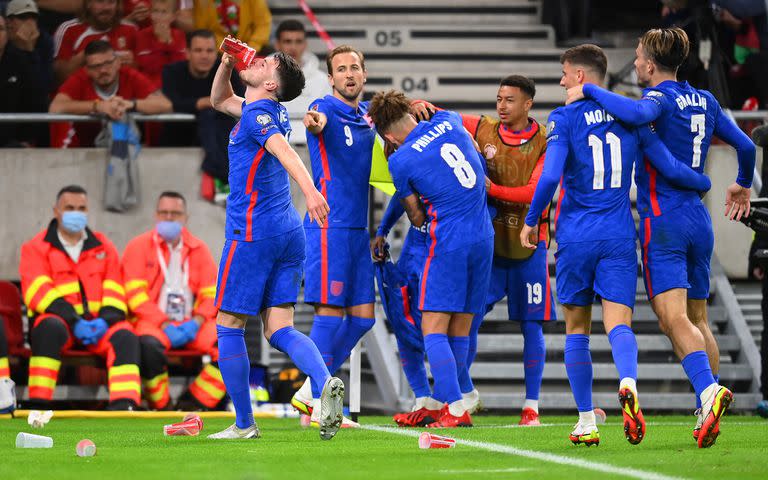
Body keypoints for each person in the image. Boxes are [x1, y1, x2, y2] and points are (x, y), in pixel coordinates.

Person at [565, 27, 756, 447]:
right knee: (699, 319)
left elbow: (634, 117)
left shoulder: (656, 100)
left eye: (637, 57)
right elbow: (745, 145)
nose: (634, 63)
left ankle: (708, 393)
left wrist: (591, 91)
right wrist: (740, 183)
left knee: (674, 319)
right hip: (698, 220)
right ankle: (708, 403)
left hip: (663, 219)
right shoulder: (705, 99)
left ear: (651, 65)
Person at [521, 44, 713, 447]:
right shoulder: (632, 117)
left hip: (576, 235)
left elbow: (551, 175)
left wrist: (531, 219)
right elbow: (670, 166)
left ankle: (587, 420)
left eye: (564, 73)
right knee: (619, 324)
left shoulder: (564, 118)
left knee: (576, 329)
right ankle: (629, 382)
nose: (560, 81)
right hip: (619, 234)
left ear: (580, 78)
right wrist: (703, 183)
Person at [206, 46, 343, 440]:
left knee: (228, 325)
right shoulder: (267, 110)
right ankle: (323, 384)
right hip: (288, 233)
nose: (257, 60)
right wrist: (226, 64)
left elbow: (284, 150)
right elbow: (219, 100)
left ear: (270, 83)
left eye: (265, 63)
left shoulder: (258, 115)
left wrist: (312, 190)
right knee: (279, 327)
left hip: (252, 234)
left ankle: (245, 424)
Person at [368, 89, 495, 428]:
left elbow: (418, 218)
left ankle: (453, 408)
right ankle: (457, 399)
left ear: (389, 137)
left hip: (449, 241)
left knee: (433, 329)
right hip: (484, 237)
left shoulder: (400, 159)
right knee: (461, 328)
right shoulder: (449, 120)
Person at [288, 45, 374, 429]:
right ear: (332, 78)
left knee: (364, 319)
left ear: (364, 74)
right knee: (329, 311)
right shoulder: (325, 107)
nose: (349, 74)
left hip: (358, 229)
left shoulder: (369, 115)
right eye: (341, 69)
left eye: (355, 67)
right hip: (329, 225)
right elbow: (314, 119)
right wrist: (312, 122)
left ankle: (308, 392)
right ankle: (321, 394)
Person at [19, 185, 141, 410]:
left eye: (82, 208)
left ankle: (124, 407)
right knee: (48, 328)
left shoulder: (104, 246)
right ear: (56, 211)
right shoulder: (35, 248)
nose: (76, 212)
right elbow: (38, 293)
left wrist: (105, 321)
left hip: (99, 326)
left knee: (126, 335)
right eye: (70, 207)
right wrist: (75, 322)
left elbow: (115, 290)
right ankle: (38, 404)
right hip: (61, 325)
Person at [122, 191, 222, 410]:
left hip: (194, 322)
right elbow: (134, 297)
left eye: (175, 213)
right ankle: (163, 406)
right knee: (148, 345)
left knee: (229, 343)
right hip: (153, 323)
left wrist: (196, 321)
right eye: (164, 213)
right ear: (156, 216)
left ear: (186, 218)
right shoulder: (138, 247)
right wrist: (164, 323)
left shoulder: (199, 249)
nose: (169, 218)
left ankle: (193, 403)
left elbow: (212, 294)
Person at [161, 29, 244, 199]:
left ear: (216, 53)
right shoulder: (172, 71)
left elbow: (242, 100)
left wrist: (210, 103)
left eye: (209, 51)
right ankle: (224, 177)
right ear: (187, 53)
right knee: (209, 113)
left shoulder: (226, 70)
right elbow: (172, 103)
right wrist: (206, 102)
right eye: (198, 50)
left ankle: (220, 176)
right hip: (179, 138)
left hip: (218, 134)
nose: (204, 56)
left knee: (214, 117)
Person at [49, 39, 172, 147]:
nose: (103, 70)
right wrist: (98, 106)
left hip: (125, 149)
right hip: (84, 152)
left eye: (108, 63)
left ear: (118, 62)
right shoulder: (80, 78)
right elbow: (55, 107)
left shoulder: (130, 75)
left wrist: (130, 104)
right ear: (87, 70)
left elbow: (165, 105)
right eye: (96, 66)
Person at [273, 19, 331, 144]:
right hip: (274, 148)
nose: (293, 47)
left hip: (312, 146)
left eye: (298, 41)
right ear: (277, 44)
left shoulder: (322, 80)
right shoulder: (262, 78)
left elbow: (329, 117)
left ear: (305, 44)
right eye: (287, 41)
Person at [52, 0, 138, 83]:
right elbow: (59, 77)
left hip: (120, 95)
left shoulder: (131, 29)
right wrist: (88, 54)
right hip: (80, 94)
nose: (106, 8)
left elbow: (142, 72)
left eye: (111, 1)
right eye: (99, 1)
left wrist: (132, 64)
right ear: (88, 3)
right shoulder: (68, 29)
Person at [0, 14, 49, 147]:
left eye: (0, 29)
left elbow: (37, 101)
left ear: (7, 34)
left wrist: (27, 140)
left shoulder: (21, 61)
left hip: (13, 143)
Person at [5, 0, 55, 95]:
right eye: (23, 17)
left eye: (33, 17)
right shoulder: (3, 39)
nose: (30, 23)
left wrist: (29, 49)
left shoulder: (44, 41)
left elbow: (43, 87)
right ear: (9, 22)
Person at [133, 0, 186, 89]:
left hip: (176, 87)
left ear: (173, 16)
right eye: (155, 11)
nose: (158, 17)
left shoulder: (179, 35)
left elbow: (180, 68)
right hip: (149, 89)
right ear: (150, 13)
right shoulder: (141, 35)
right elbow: (149, 67)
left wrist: (168, 42)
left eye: (164, 12)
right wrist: (161, 42)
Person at [193, 0, 271, 51]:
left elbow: (263, 25)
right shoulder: (203, 2)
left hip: (250, 46)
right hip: (218, 49)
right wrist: (226, 47)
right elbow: (203, 30)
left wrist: (250, 48)